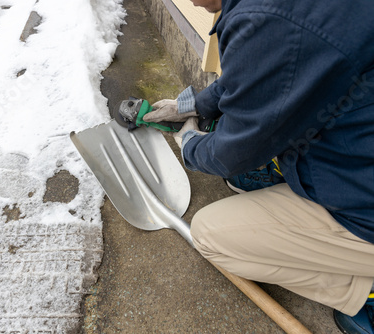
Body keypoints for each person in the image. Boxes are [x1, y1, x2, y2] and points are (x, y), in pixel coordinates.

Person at [143, 0, 374, 332]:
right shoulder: (281, 13)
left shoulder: (265, 19)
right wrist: (193, 104)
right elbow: (266, 70)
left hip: (364, 208)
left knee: (209, 233)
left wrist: (191, 144)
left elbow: (233, 153)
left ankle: (364, 291)